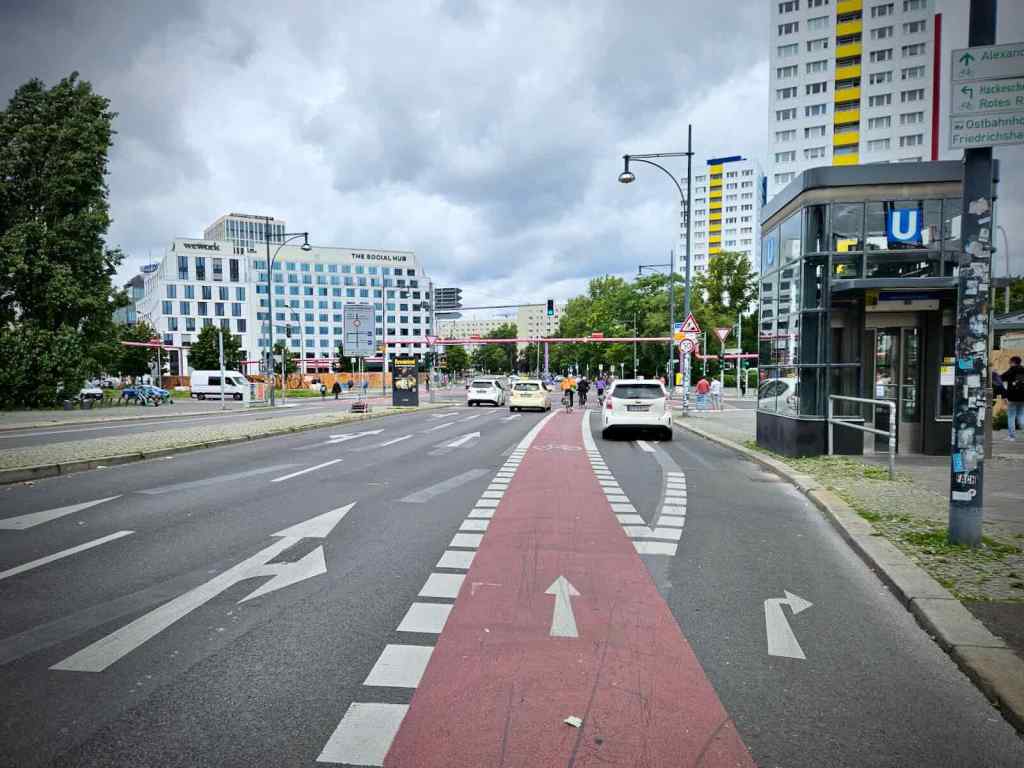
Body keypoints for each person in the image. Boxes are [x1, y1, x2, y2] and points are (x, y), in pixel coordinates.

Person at [1002, 356, 1024, 440]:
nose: (1009, 363)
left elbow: (1001, 378)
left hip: (1012, 397)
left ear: (1013, 362)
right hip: (1022, 397)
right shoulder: (1023, 369)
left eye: (1010, 362)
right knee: (1021, 416)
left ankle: (1011, 436)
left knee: (1011, 416)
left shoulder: (1011, 370)